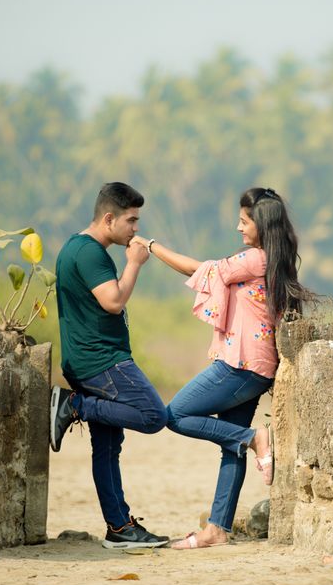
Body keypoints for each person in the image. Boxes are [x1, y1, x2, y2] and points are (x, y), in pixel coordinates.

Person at [133, 186, 312, 549]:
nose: (238, 228)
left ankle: (254, 439)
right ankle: (217, 529)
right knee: (229, 445)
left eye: (244, 222)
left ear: (261, 225)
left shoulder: (254, 260)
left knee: (174, 414)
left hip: (240, 364)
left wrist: (150, 246)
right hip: (258, 366)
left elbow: (197, 269)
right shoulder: (275, 259)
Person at [49, 182, 170, 549]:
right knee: (153, 415)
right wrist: (133, 264)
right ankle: (73, 405)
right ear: (108, 218)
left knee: (106, 448)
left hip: (89, 359)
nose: (135, 229)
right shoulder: (89, 253)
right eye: (131, 221)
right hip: (102, 361)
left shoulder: (78, 247)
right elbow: (114, 301)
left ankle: (119, 527)